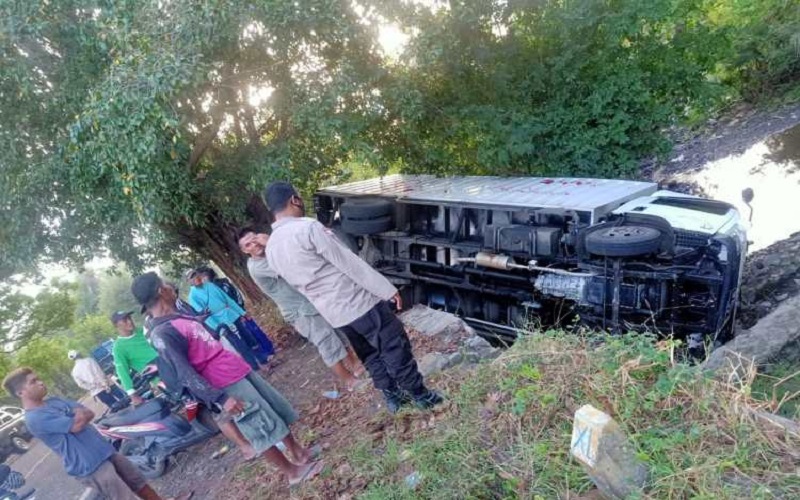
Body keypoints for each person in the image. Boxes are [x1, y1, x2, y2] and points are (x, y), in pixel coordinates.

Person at [264, 182, 443, 413]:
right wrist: (386, 289)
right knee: (393, 346)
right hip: (358, 303)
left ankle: (394, 398)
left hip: (334, 314)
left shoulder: (271, 247)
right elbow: (349, 263)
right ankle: (421, 396)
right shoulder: (307, 229)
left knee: (369, 355)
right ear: (294, 200)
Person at [131, 272, 324, 485]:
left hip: (233, 367)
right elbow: (185, 373)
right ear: (161, 291)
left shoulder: (178, 314)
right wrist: (221, 399)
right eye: (165, 284)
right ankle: (292, 473)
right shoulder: (162, 332)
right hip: (223, 382)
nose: (170, 285)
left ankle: (298, 453)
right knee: (257, 425)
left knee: (271, 409)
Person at [2, 368, 191, 500]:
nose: (40, 382)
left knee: (138, 482)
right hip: (89, 466)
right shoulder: (35, 418)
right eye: (33, 381)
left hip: (105, 451)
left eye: (38, 378)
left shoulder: (53, 401)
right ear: (21, 392)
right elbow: (76, 425)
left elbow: (88, 413)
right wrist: (76, 416)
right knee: (123, 497)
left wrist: (78, 416)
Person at [238, 227, 366, 391]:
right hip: (299, 312)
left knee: (338, 333)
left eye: (254, 239)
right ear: (244, 251)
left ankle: (355, 364)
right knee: (326, 343)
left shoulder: (271, 252)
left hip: (311, 302)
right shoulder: (257, 266)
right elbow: (289, 265)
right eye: (248, 245)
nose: (254, 245)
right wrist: (271, 242)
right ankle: (349, 380)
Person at [186, 269, 265, 371]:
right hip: (221, 322)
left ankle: (263, 359)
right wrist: (219, 328)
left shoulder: (210, 285)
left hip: (231, 314)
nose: (196, 277)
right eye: (193, 277)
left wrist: (242, 312)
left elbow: (228, 299)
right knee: (239, 344)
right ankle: (255, 366)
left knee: (248, 336)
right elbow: (204, 316)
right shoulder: (192, 296)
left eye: (197, 274)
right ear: (189, 281)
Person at [195, 267, 275, 360]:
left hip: (236, 314)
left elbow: (233, 298)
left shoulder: (219, 284)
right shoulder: (210, 288)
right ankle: (260, 357)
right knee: (244, 337)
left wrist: (240, 311)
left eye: (201, 277)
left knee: (249, 335)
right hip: (231, 316)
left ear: (206, 276)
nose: (200, 280)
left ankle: (266, 353)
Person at [111, 311, 160, 406]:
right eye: (125, 320)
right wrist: (133, 395)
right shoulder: (118, 348)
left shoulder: (143, 331)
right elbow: (122, 372)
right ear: (116, 325)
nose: (129, 321)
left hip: (173, 365)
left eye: (129, 318)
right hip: (158, 378)